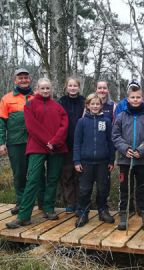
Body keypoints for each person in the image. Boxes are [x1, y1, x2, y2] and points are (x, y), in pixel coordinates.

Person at [6, 78, 68, 228]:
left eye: (48, 88)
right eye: (43, 88)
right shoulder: (30, 105)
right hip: (37, 147)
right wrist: (48, 141)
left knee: (52, 179)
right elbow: (32, 127)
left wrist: (54, 142)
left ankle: (48, 208)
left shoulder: (58, 107)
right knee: (33, 179)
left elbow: (64, 126)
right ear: (37, 89)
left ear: (51, 89)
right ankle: (24, 216)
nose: (46, 91)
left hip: (57, 148)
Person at [0, 68, 42, 215]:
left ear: (30, 80)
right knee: (19, 174)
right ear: (15, 80)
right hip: (16, 143)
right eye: (20, 78)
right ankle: (21, 203)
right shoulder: (6, 99)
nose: (23, 80)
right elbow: (1, 122)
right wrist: (1, 143)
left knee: (39, 173)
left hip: (36, 142)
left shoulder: (37, 97)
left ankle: (43, 203)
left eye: (26, 77)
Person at [112, 80, 144, 231]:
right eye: (133, 97)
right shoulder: (121, 116)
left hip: (143, 160)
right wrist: (125, 148)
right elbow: (115, 136)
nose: (135, 100)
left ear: (142, 98)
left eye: (138, 97)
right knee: (125, 188)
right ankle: (123, 216)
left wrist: (141, 150)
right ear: (128, 99)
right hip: (125, 160)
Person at [74, 94, 115, 227]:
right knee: (85, 189)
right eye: (92, 104)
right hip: (85, 162)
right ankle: (83, 212)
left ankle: (102, 210)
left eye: (98, 104)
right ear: (87, 105)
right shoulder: (82, 122)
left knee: (103, 188)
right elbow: (77, 143)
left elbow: (110, 142)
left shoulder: (106, 121)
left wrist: (111, 160)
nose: (95, 106)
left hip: (103, 162)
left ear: (101, 106)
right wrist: (77, 161)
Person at [57, 77, 85, 213]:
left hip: (81, 145)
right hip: (65, 144)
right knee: (67, 174)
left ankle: (81, 203)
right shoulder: (61, 102)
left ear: (79, 87)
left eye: (75, 85)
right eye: (70, 85)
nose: (73, 88)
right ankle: (70, 202)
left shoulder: (84, 102)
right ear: (66, 87)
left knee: (80, 174)